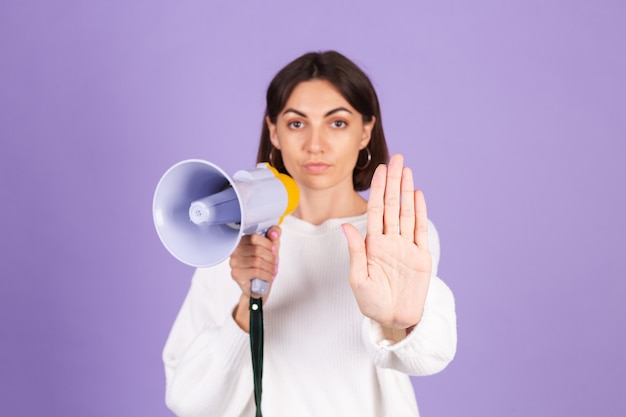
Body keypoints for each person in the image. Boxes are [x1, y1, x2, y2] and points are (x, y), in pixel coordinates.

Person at [162, 50, 457, 417]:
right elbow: (188, 400)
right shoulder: (235, 243)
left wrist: (399, 323)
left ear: (366, 131)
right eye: (297, 123)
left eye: (337, 123)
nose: (315, 144)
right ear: (274, 131)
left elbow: (428, 357)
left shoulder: (395, 235)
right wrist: (246, 306)